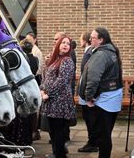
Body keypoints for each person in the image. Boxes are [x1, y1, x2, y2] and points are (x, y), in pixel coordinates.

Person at [79, 27, 123, 158]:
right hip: (111, 98)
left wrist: (88, 97)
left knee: (103, 136)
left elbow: (93, 78)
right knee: (106, 134)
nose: (90, 40)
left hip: (103, 100)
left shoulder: (101, 54)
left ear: (101, 40)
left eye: (93, 38)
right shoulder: (111, 51)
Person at [40, 36, 76, 158]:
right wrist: (41, 90)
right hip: (50, 101)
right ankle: (56, 153)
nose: (65, 45)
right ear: (58, 45)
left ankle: (60, 155)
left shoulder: (67, 61)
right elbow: (45, 77)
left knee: (59, 131)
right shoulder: (53, 59)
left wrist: (48, 93)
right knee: (53, 131)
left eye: (68, 44)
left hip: (60, 102)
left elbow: (62, 81)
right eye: (63, 43)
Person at [77, 32, 99, 153]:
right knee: (88, 117)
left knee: (90, 118)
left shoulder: (90, 52)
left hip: (87, 93)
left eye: (81, 39)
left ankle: (93, 143)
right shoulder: (88, 51)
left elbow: (90, 74)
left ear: (84, 40)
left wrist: (88, 93)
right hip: (84, 91)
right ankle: (93, 141)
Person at [25, 32, 43, 140]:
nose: (28, 42)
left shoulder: (36, 52)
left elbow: (38, 68)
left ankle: (35, 130)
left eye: (29, 39)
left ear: (35, 40)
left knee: (34, 107)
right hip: (31, 78)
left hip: (34, 78)